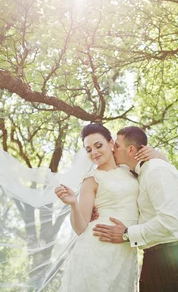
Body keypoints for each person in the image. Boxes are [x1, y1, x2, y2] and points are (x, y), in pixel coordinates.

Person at [93, 126, 178, 292]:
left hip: (171, 257)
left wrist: (127, 234)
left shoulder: (156, 170)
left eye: (117, 146)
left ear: (131, 149)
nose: (113, 149)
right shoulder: (141, 172)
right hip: (158, 257)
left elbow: (168, 220)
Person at [55, 123, 140, 291]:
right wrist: (73, 204)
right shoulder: (91, 179)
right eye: (88, 149)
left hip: (125, 250)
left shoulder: (129, 170)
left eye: (98, 145)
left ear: (111, 143)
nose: (94, 152)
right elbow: (80, 228)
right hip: (97, 249)